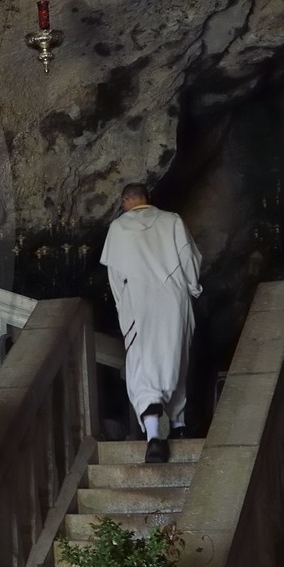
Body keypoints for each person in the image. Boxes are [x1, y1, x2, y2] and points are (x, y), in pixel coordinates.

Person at [100, 182, 202, 463]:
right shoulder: (173, 221)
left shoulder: (119, 228)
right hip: (173, 299)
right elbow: (188, 260)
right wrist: (192, 289)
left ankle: (154, 436)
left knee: (142, 364)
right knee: (175, 357)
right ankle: (179, 426)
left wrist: (124, 307)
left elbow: (116, 276)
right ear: (148, 198)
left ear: (124, 201)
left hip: (139, 301)